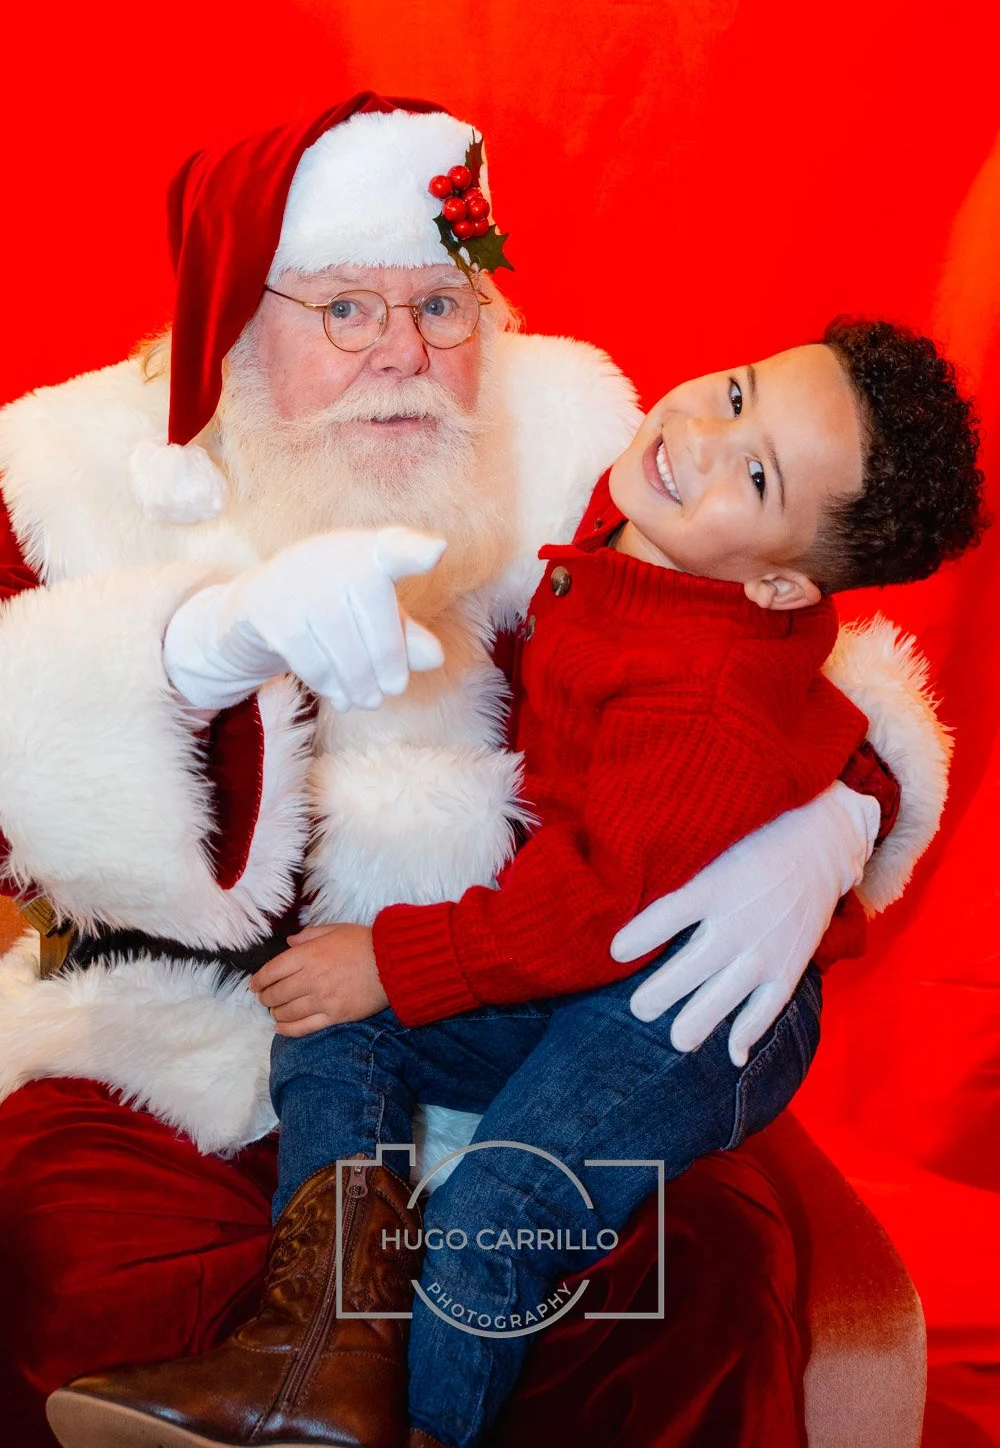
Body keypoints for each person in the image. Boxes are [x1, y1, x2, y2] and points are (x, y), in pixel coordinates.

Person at [0, 94, 945, 1448]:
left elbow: (790, 674)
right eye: (344, 309)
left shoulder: (578, 440)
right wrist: (208, 648)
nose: (403, 353)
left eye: (441, 307)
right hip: (189, 1021)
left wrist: (839, 818)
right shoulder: (67, 466)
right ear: (243, 312)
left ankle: (356, 1406)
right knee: (79, 1260)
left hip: (543, 989)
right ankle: (311, 1363)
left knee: (685, 1285)